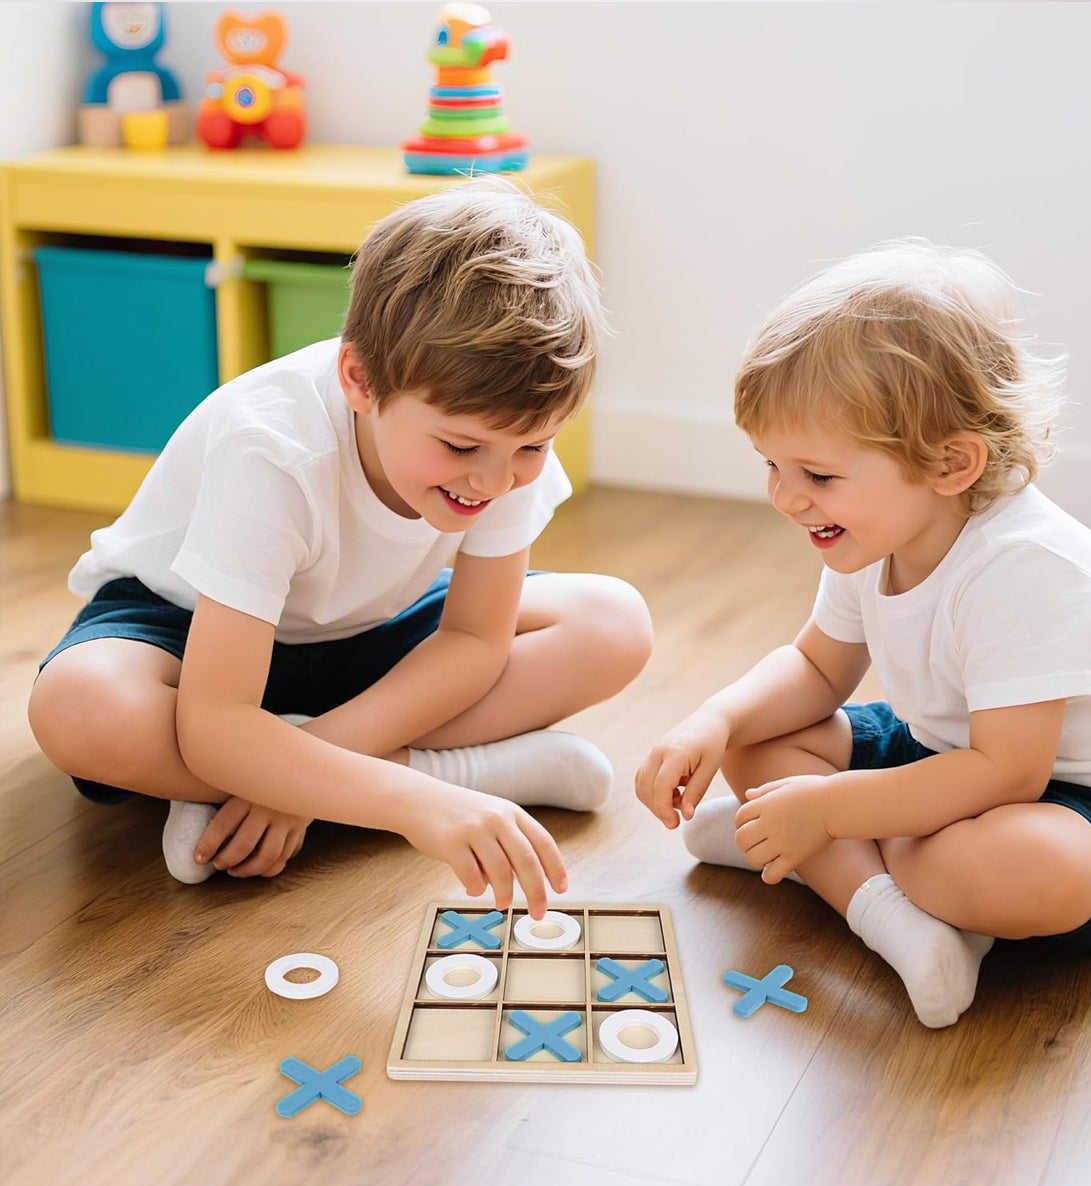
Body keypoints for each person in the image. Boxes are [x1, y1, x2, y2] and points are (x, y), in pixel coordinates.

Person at [29, 179, 653, 917]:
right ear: (360, 379)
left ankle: (277, 773)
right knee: (80, 708)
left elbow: (474, 638)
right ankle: (456, 777)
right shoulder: (273, 448)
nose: (496, 479)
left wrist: (299, 767)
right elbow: (215, 713)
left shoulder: (503, 447)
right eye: (460, 445)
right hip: (189, 638)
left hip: (367, 636)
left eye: (532, 446)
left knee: (615, 622)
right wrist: (411, 803)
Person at [636, 239, 1091, 1027]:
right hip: (948, 757)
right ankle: (893, 914)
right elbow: (814, 668)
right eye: (772, 465)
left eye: (819, 475)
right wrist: (715, 720)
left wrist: (831, 814)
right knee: (757, 743)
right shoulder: (868, 532)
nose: (786, 498)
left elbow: (1009, 775)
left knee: (1005, 864)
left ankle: (825, 861)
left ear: (951, 463)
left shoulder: (1027, 567)